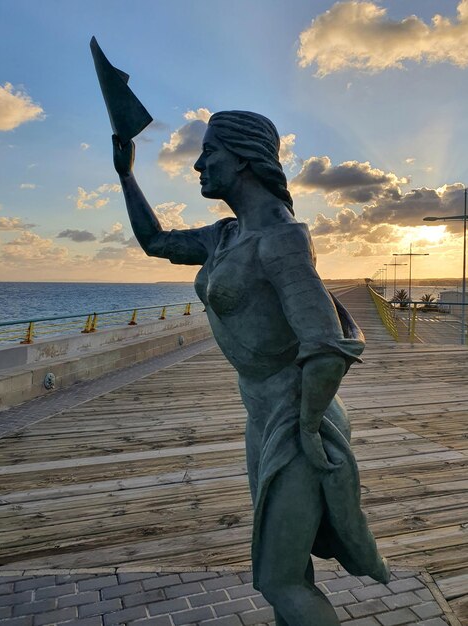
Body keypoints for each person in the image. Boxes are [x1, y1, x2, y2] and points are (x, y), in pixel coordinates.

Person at [112, 110, 390, 626]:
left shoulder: (280, 240)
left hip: (297, 418)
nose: (197, 163)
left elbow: (327, 344)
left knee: (278, 578)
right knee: (289, 565)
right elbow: (156, 241)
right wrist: (126, 174)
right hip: (260, 419)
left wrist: (307, 427)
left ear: (241, 158)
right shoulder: (224, 236)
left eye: (208, 151)